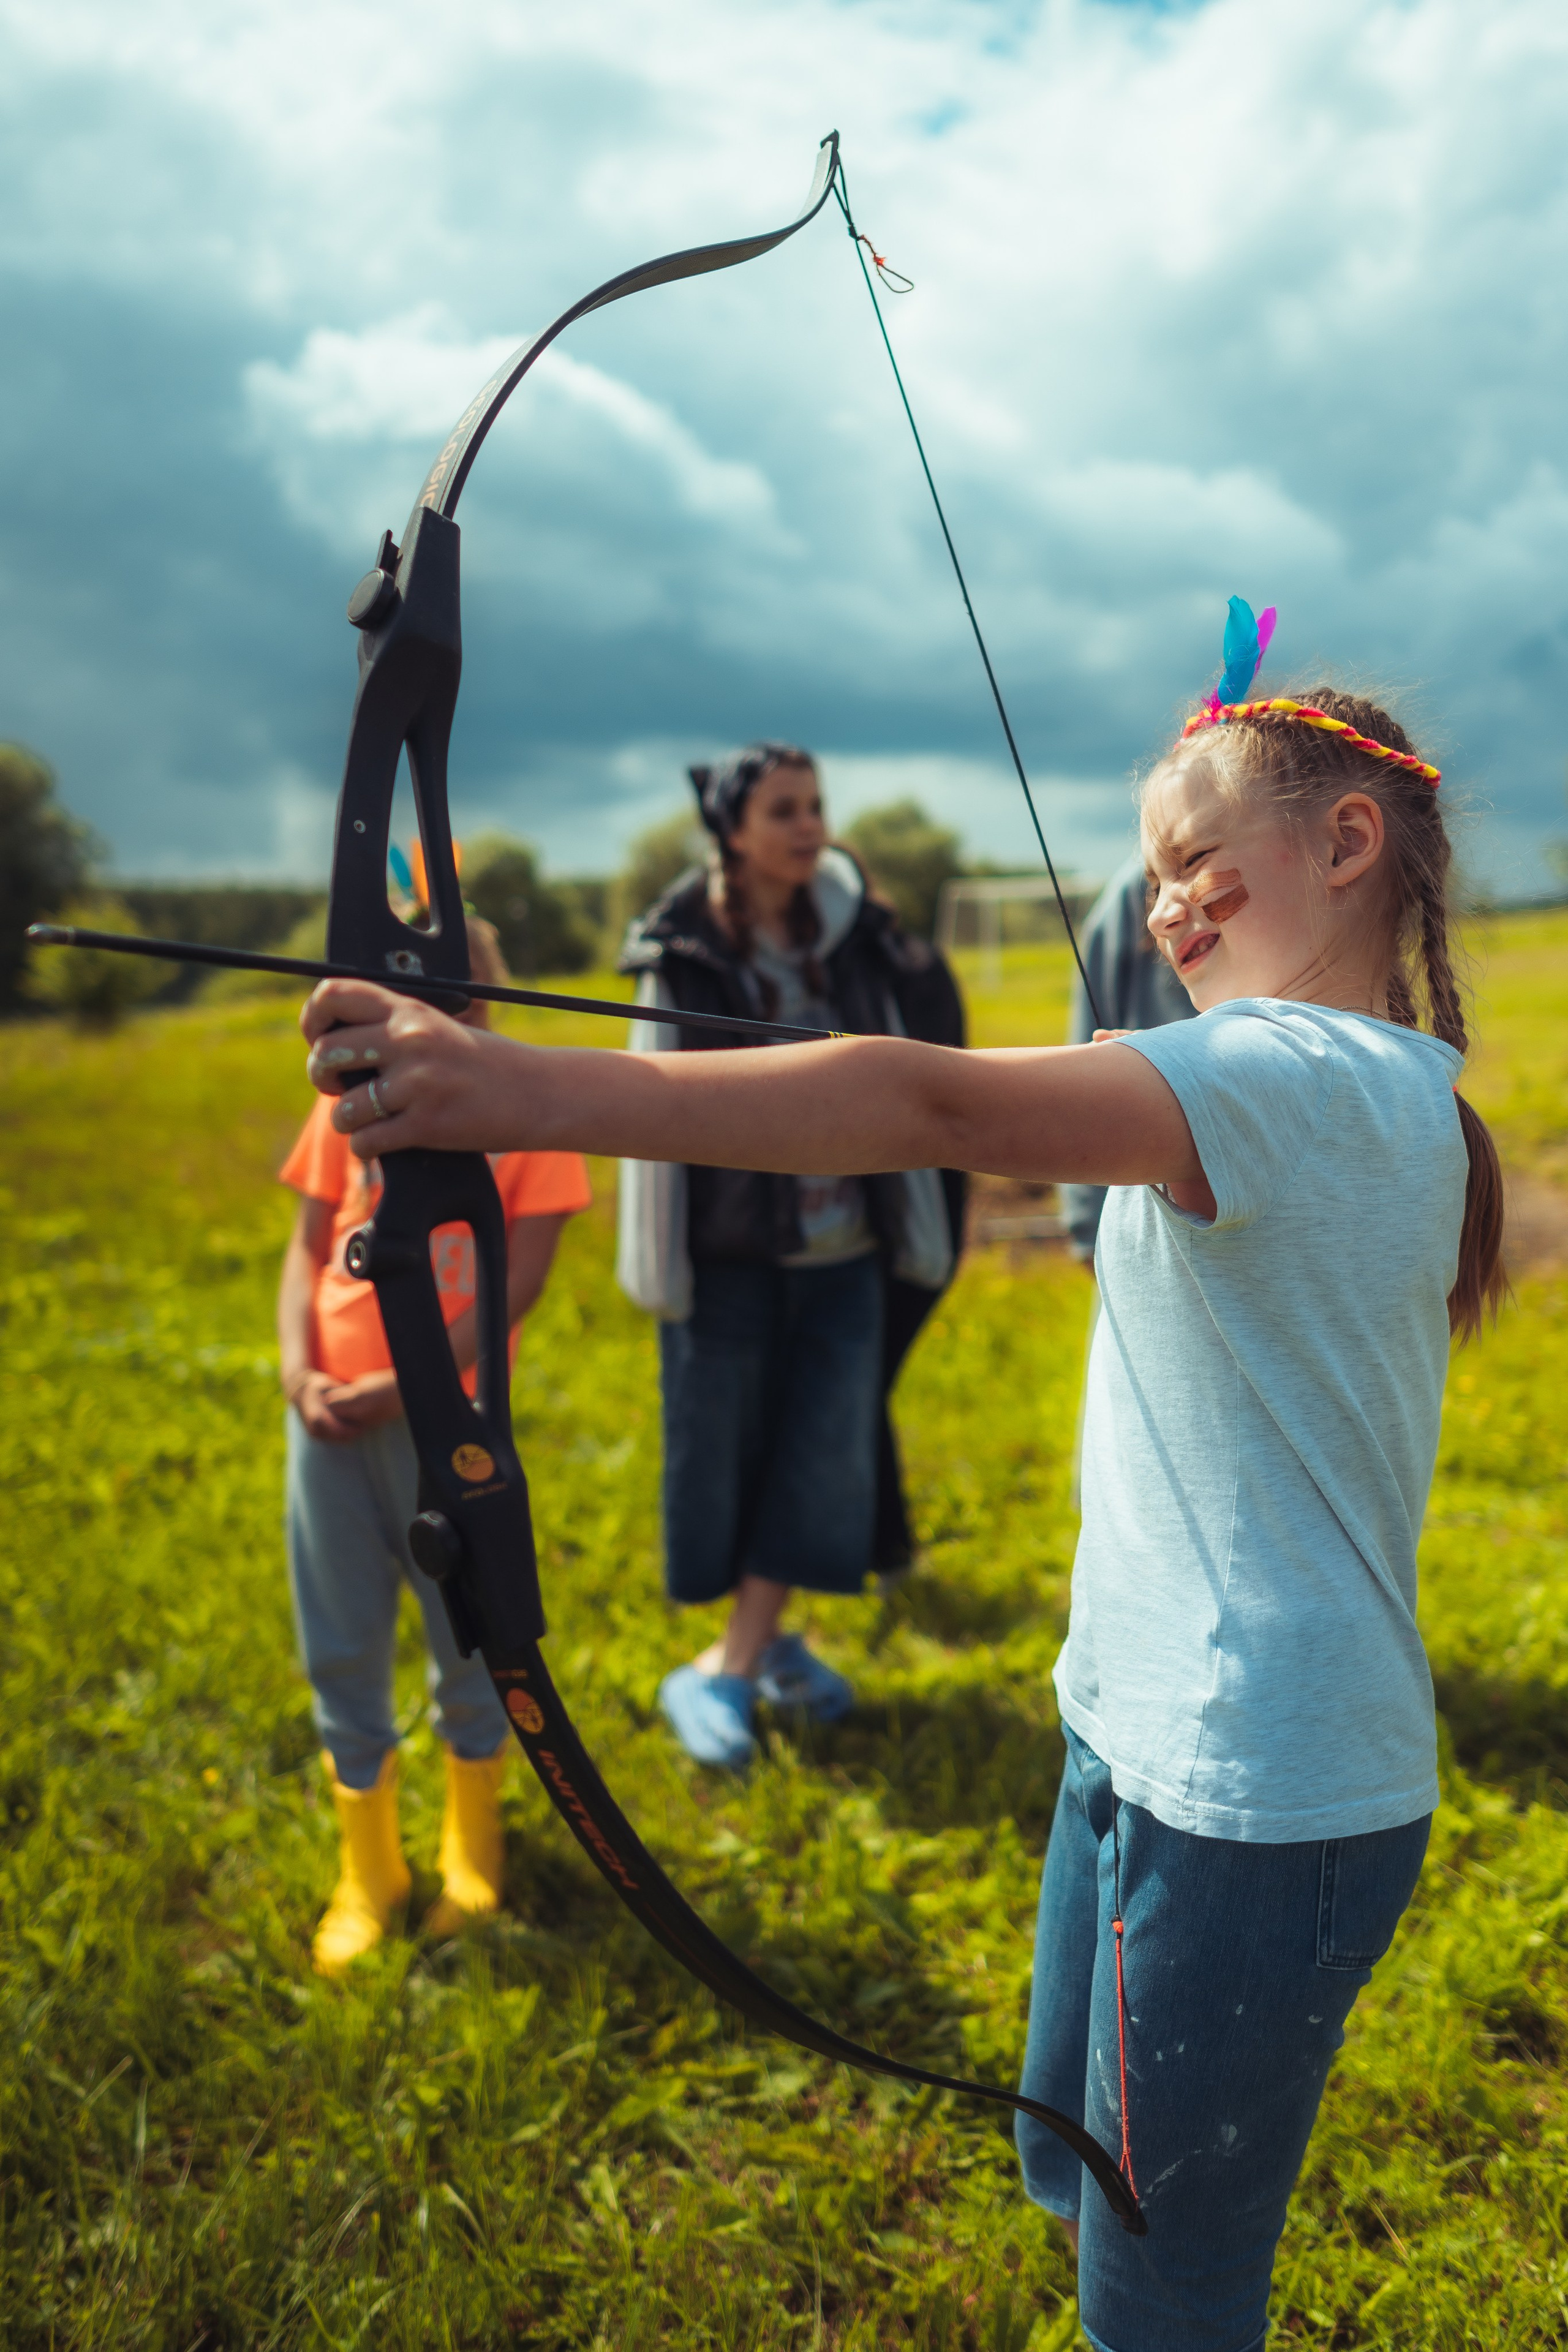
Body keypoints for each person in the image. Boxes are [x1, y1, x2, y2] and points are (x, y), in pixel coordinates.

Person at [298, 648, 1505, 2346]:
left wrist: (511, 1087)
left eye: (1196, 858)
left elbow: (919, 1097)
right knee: (1075, 2175)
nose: (1163, 905)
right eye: (1148, 872)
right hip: (1140, 1738)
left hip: (1258, 1800)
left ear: (1351, 841)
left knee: (1162, 2300)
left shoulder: (1297, 1080)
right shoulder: (1355, 1094)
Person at [614, 742, 964, 1767]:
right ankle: (758, 1651)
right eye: (782, 811)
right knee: (728, 1461)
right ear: (733, 832)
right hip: (729, 1261)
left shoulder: (863, 942)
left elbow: (921, 1050)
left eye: (815, 806)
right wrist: (659, 1263)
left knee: (818, 1463)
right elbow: (655, 1109)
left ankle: (730, 1667)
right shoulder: (679, 950)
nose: (810, 826)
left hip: (848, 1254)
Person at [278, 916, 592, 1974]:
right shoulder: (347, 1104)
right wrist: (297, 1367)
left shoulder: (525, 1116)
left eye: (443, 996)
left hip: (444, 1425)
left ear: (480, 1006)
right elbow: (307, 1246)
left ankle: (473, 1845)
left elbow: (521, 1281)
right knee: (340, 1636)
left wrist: (404, 1384)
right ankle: (369, 1867)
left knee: (469, 1632)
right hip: (326, 1421)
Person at [1060, 850, 1196, 1262]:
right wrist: (1085, 1221)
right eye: (1156, 887)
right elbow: (1086, 1043)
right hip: (1138, 1232)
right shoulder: (1129, 893)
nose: (1161, 917)